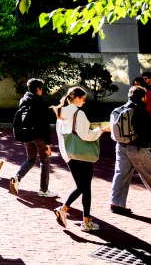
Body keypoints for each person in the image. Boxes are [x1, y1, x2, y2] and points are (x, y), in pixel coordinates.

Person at [110, 85, 151, 213]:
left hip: (121, 146)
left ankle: (116, 203)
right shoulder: (142, 111)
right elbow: (148, 132)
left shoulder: (119, 110)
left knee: (120, 174)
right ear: (143, 97)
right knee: (150, 175)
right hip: (138, 148)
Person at [53, 87, 103, 231]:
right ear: (75, 98)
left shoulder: (61, 113)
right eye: (82, 98)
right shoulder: (78, 113)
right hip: (82, 152)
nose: (84, 101)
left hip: (69, 153)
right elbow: (85, 135)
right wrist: (99, 131)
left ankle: (85, 220)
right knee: (84, 186)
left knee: (83, 186)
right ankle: (65, 209)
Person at [10, 78, 58, 198]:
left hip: (26, 134)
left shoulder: (23, 100)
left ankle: (17, 177)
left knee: (31, 159)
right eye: (41, 88)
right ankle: (43, 190)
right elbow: (44, 124)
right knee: (45, 161)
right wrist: (48, 143)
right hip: (38, 136)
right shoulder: (40, 102)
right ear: (38, 89)